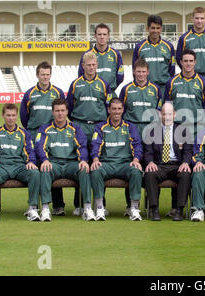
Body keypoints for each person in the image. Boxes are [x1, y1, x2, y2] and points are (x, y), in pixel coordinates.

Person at [67, 51, 113, 215]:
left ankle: (101, 203)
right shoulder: (75, 84)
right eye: (88, 65)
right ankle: (80, 204)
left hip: (98, 127)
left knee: (98, 163)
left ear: (97, 65)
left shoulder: (104, 84)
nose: (91, 67)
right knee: (81, 163)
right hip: (80, 126)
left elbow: (109, 108)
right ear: (83, 66)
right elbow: (69, 108)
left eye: (94, 65)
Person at [19, 61, 67, 216]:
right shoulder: (29, 93)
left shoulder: (57, 92)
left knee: (52, 165)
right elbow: (24, 117)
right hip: (34, 135)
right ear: (37, 75)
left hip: (53, 134)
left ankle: (58, 205)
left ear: (50, 75)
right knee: (35, 168)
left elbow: (63, 111)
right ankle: (34, 206)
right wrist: (33, 131)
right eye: (42, 74)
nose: (45, 77)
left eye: (47, 74)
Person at [36, 99, 94, 222]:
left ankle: (87, 208)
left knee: (84, 169)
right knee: (45, 169)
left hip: (71, 164)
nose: (60, 113)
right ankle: (46, 208)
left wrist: (83, 160)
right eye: (57, 111)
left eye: (62, 110)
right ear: (52, 112)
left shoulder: (75, 129)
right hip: (54, 163)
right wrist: (45, 160)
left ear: (67, 111)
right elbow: (40, 146)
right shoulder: (45, 129)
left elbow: (82, 146)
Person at [0, 103, 41, 222]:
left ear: (16, 116)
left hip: (20, 167)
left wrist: (31, 161)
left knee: (35, 173)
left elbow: (31, 150)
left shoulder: (24, 133)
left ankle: (32, 208)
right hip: (2, 167)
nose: (11, 118)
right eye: (8, 115)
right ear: (3, 116)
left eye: (13, 115)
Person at [90, 98, 144, 221]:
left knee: (136, 170)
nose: (116, 111)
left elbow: (137, 145)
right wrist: (95, 159)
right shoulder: (101, 127)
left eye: (119, 109)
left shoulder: (130, 127)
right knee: (96, 170)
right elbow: (95, 144)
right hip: (106, 164)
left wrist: (136, 160)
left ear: (123, 110)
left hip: (125, 164)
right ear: (109, 110)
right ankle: (99, 208)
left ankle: (134, 208)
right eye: (113, 109)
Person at [144, 102, 192, 221]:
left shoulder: (183, 130)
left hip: (177, 165)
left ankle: (179, 210)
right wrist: (150, 162)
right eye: (165, 114)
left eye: (170, 114)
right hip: (160, 165)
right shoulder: (152, 131)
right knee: (150, 174)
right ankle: (154, 209)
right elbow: (148, 151)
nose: (167, 117)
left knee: (185, 174)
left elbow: (188, 151)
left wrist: (185, 162)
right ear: (160, 114)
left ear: (174, 114)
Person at [165, 48, 205, 139]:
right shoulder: (171, 82)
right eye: (185, 61)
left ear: (195, 62)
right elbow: (168, 106)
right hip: (177, 127)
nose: (188, 63)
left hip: (197, 129)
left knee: (196, 153)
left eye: (191, 61)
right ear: (181, 62)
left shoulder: (204, 82)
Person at [176, 6, 205, 90]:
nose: (199, 21)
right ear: (192, 19)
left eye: (202, 18)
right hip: (190, 77)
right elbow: (178, 57)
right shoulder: (184, 38)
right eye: (197, 18)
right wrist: (188, 71)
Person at [132, 14, 175, 100]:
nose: (155, 31)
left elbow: (171, 69)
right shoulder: (139, 47)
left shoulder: (169, 46)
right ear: (147, 28)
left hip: (164, 88)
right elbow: (135, 69)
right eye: (153, 28)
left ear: (161, 29)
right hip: (146, 88)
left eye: (158, 28)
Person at [119, 58, 162, 140]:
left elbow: (158, 110)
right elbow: (121, 110)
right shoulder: (126, 89)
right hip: (132, 127)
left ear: (148, 72)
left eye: (143, 71)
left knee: (149, 153)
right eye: (138, 71)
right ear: (134, 72)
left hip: (150, 127)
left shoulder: (156, 89)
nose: (141, 74)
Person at [78, 23, 124, 94]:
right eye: (99, 34)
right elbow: (81, 75)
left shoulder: (116, 54)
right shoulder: (87, 54)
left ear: (108, 36)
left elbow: (120, 76)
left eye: (104, 34)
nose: (102, 37)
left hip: (110, 93)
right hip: (92, 93)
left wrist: (110, 88)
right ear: (95, 36)